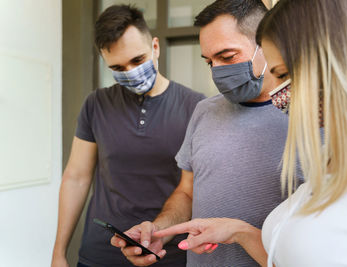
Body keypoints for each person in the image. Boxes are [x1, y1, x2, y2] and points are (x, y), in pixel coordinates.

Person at [153, 0, 347, 266]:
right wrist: (239, 232)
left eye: (282, 75)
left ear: (335, 61)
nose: (280, 93)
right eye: (209, 62)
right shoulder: (337, 160)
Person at [111, 1, 302, 266]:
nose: (217, 71)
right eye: (209, 61)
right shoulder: (204, 111)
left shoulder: (314, 119)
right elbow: (186, 192)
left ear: (266, 45)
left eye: (227, 57)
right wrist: (158, 231)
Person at [51, 5, 205, 267]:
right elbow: (76, 178)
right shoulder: (96, 104)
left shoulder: (195, 107)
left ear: (155, 47)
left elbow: (192, 191)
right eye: (118, 67)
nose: (131, 72)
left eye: (137, 60)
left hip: (167, 254)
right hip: (101, 255)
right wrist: (59, 253)